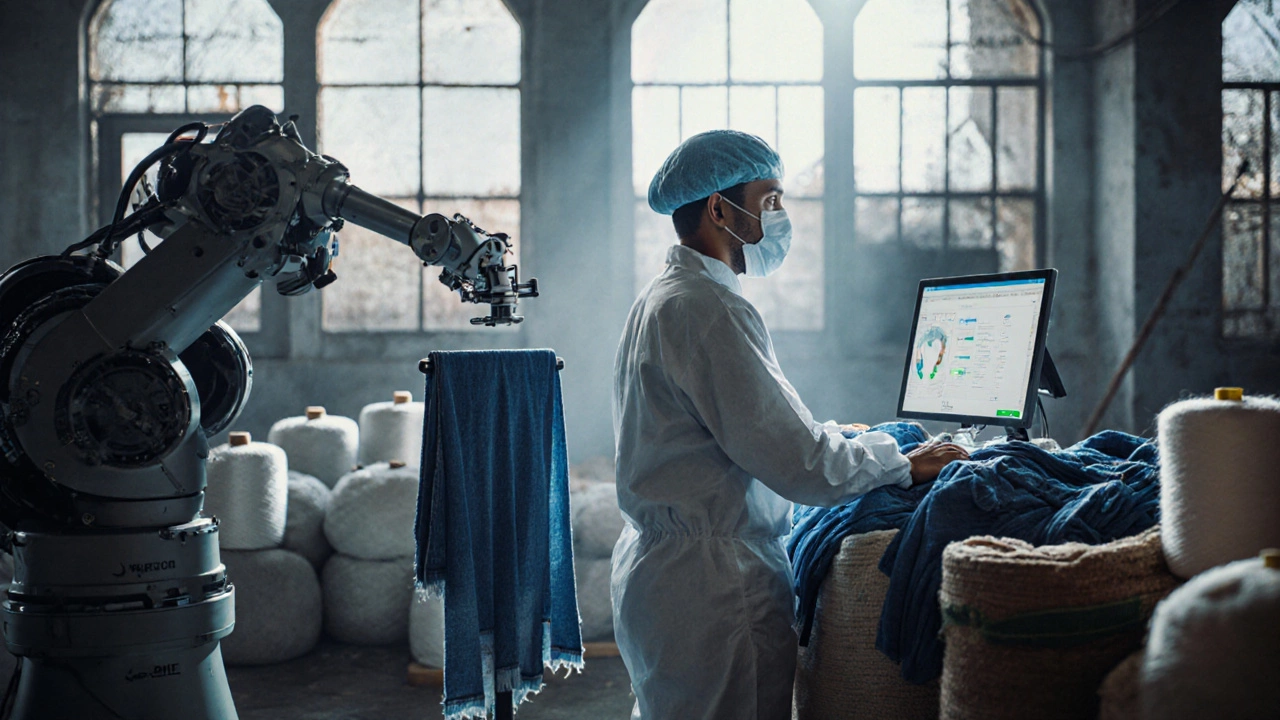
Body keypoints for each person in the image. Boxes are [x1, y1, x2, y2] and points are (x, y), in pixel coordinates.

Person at [610, 130, 969, 719]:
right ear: (719, 208)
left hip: (668, 574)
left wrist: (840, 438)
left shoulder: (663, 296)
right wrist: (902, 462)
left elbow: (729, 431)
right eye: (770, 199)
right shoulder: (710, 309)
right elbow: (802, 467)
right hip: (716, 589)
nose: (780, 217)